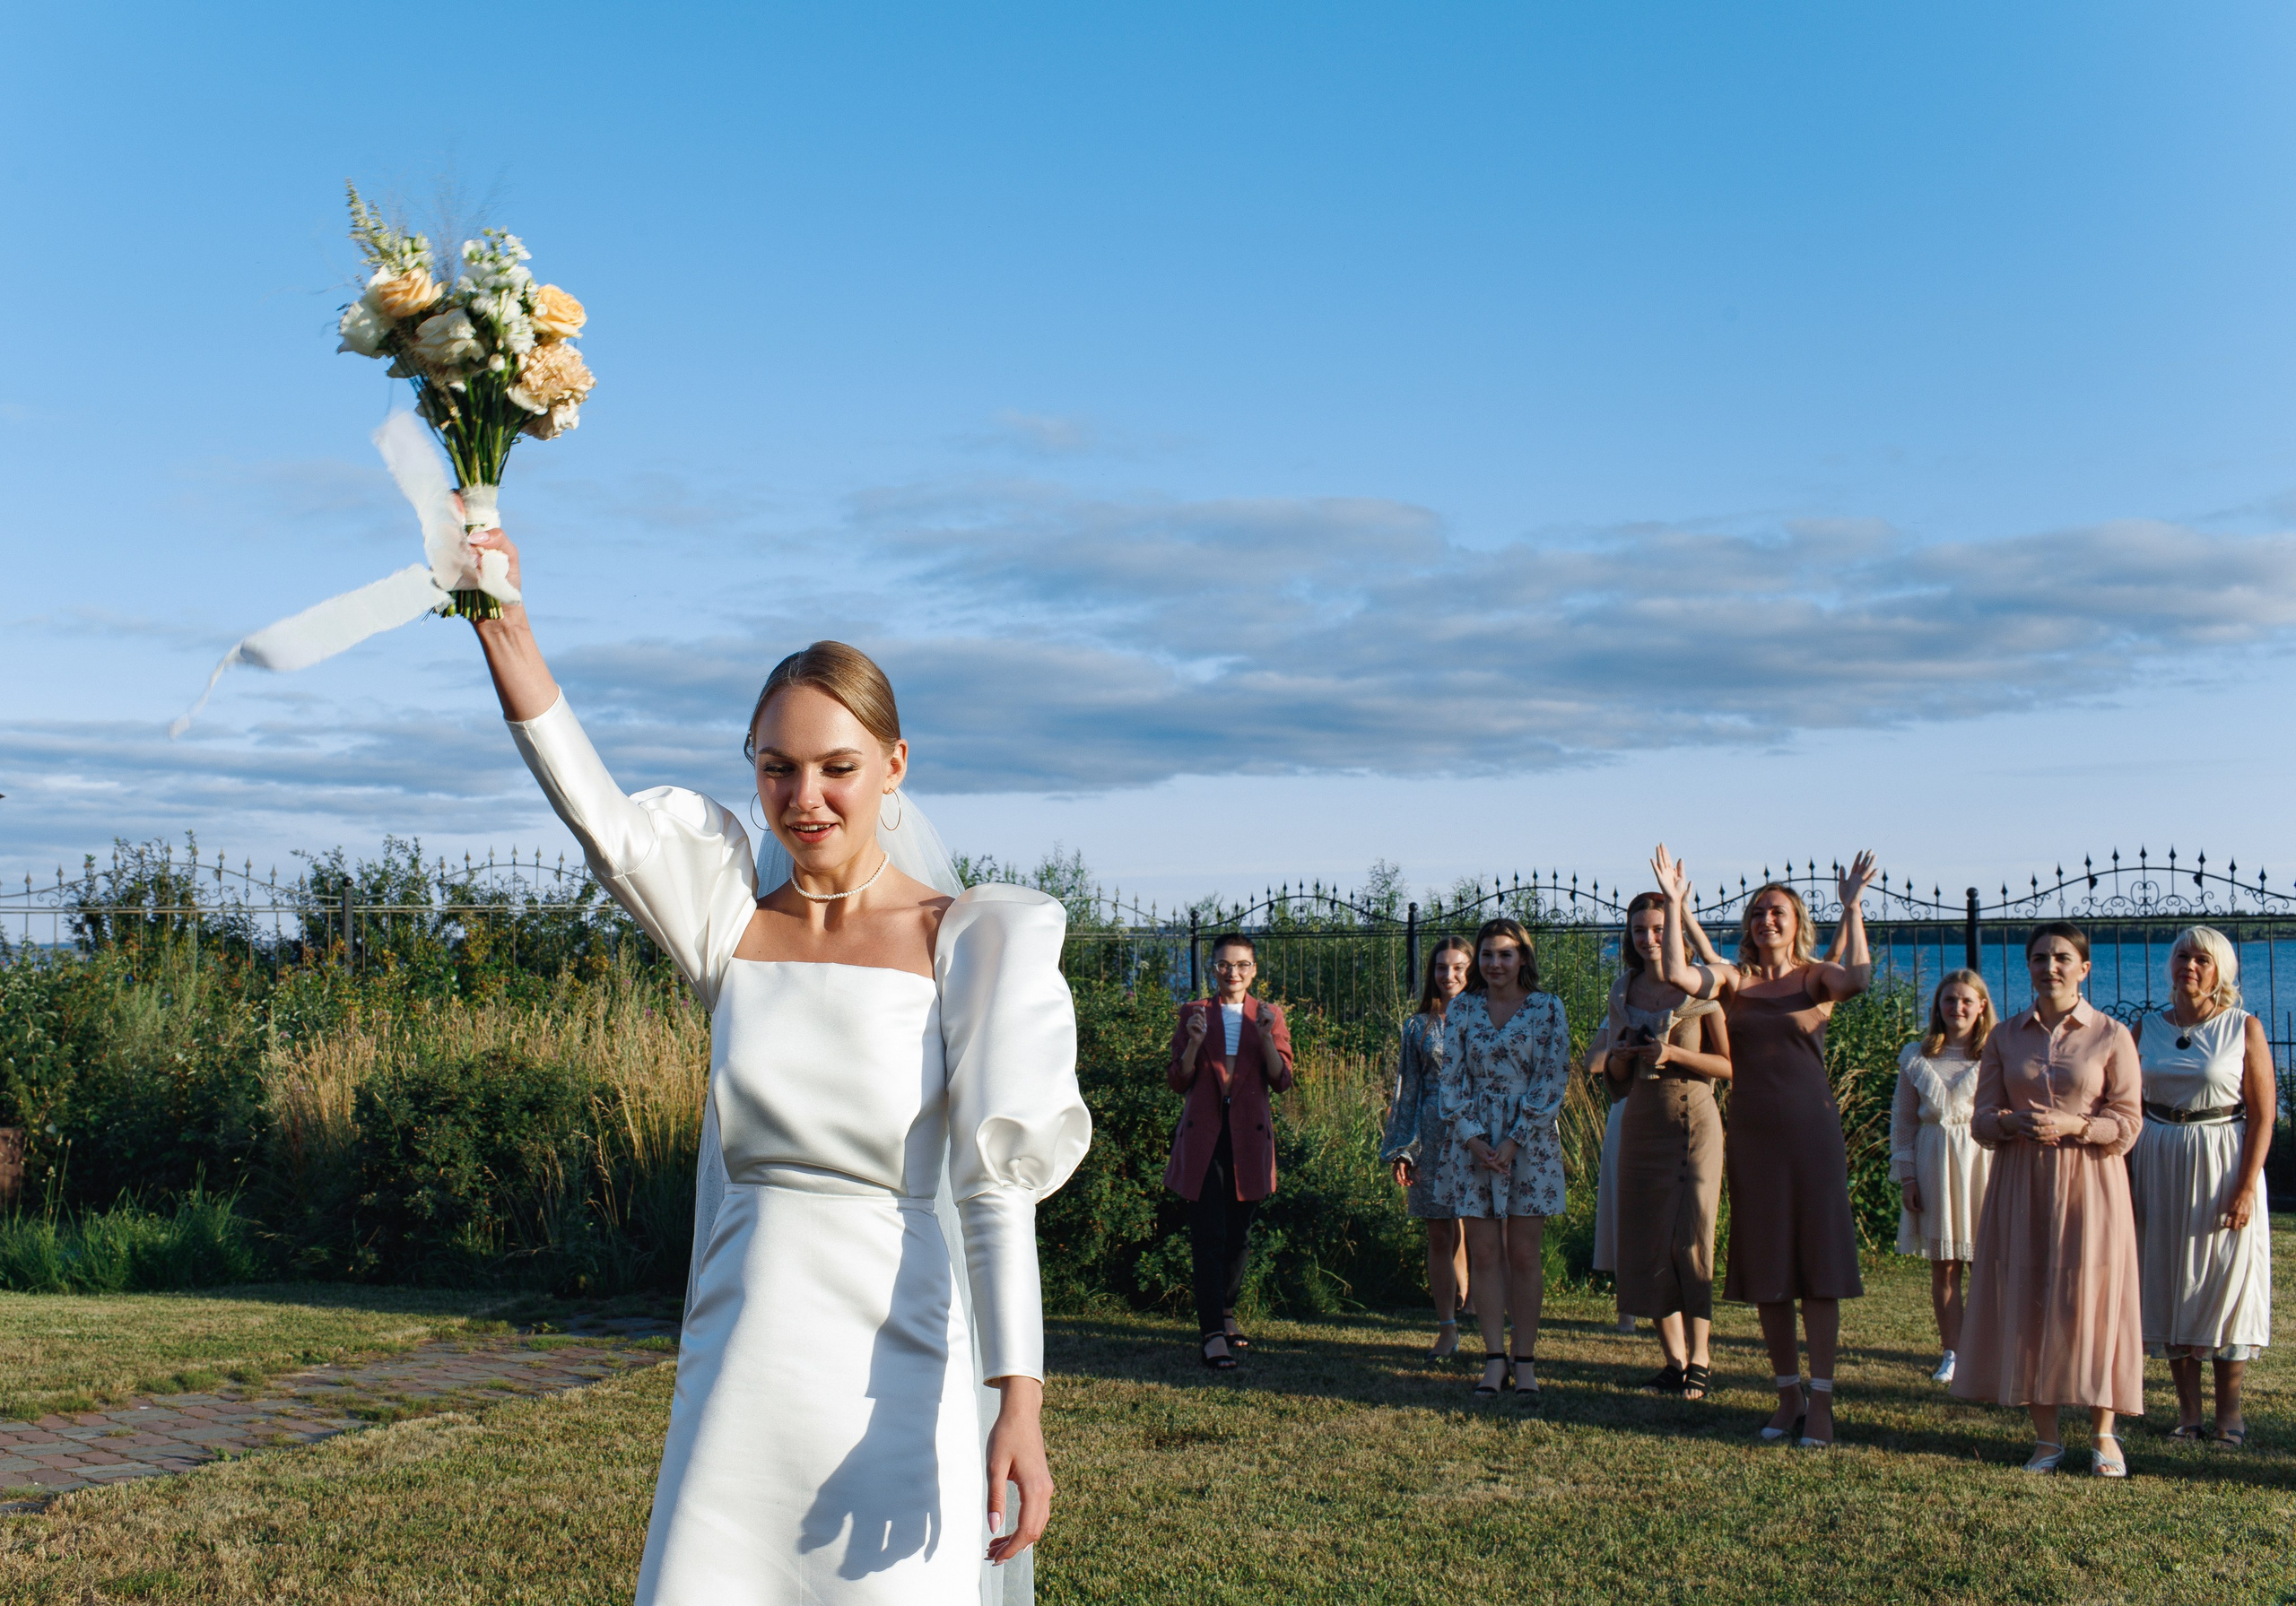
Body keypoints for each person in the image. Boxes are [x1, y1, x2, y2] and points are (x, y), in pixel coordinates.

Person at [465, 519, 1091, 1602]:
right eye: (779, 769)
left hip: (898, 1361)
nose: (807, 800)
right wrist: (501, 619)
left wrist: (1017, 1404)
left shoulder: (971, 941)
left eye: (838, 768)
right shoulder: (726, 926)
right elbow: (594, 815)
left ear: (894, 765)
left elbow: (993, 1194)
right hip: (740, 1351)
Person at [1653, 846, 1876, 1449]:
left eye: (1776, 911)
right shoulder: (1734, 982)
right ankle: (1787, 1397)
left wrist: (1852, 907)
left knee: (1819, 1272)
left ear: (1798, 922)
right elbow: (1679, 975)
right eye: (1757, 913)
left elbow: (1858, 976)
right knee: (1769, 1270)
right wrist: (1675, 907)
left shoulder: (1815, 979)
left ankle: (1823, 1401)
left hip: (1813, 1139)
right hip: (1753, 1140)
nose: (1765, 920)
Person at [1952, 923, 2143, 1476]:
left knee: (2093, 1299)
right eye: (2039, 958)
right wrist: (2012, 1123)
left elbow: (2128, 1124)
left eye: (2062, 958)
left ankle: (2105, 1434)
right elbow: (1981, 1121)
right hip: (2022, 1181)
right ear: (2028, 967)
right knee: (2029, 1296)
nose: (2050, 967)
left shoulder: (2111, 1035)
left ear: (2085, 968)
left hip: (2092, 1183)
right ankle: (2046, 1438)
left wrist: (2076, 1124)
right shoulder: (2005, 1037)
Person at [2128, 925, 2274, 1447]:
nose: (2190, 966)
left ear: (2221, 972)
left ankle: (2228, 1418)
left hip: (2222, 1160)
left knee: (2224, 1282)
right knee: (2168, 1280)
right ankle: (2188, 1416)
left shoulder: (2244, 1028)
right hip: (2158, 1160)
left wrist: (2245, 1187)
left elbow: (2263, 1116)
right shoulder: (2145, 1029)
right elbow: (2125, 1105)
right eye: (2183, 957)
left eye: (2203, 960)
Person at [1587, 891, 1733, 1400]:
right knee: (1645, 1238)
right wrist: (1622, 1053)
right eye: (1638, 931)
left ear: (1672, 933)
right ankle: (1673, 1362)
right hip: (1641, 1118)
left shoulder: (1701, 990)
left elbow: (1729, 1067)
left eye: (1657, 929)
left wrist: (1671, 1052)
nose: (1648, 940)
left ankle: (1702, 1358)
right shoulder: (1622, 989)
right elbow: (1617, 1080)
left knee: (1691, 1236)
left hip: (1694, 1118)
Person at [1435, 918, 1572, 1401]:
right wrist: (1474, 1139)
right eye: (1488, 955)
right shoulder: (1463, 1010)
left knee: (1524, 1255)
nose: (1496, 964)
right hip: (1472, 1143)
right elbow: (1449, 1082)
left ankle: (1526, 1360)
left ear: (1523, 958)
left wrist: (1514, 1139)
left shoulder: (1547, 1008)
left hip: (1529, 1143)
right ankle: (1494, 1360)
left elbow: (1554, 1079)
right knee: (1485, 1254)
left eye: (1505, 955)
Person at [1164, 934, 1295, 1369]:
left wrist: (1263, 1038)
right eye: (1223, 965)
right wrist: (1196, 1044)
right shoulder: (1194, 1014)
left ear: (1254, 970)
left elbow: (1281, 1080)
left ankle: (1226, 1311)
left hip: (1249, 1139)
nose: (1232, 973)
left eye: (1241, 965)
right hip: (1205, 1139)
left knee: (1238, 1238)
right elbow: (1179, 1080)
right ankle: (1212, 1335)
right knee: (1209, 1238)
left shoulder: (1268, 1016)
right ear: (1213, 969)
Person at [1891, 970, 1996, 1385]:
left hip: (1983, 1162)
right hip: (1934, 1161)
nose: (1958, 1008)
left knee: (1987, 1263)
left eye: (1967, 1001)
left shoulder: (1994, 1054)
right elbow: (1902, 1123)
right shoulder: (1917, 1056)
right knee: (1945, 1265)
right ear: (1938, 1005)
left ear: (1982, 1006)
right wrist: (1908, 1179)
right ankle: (1953, 1352)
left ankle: (1989, 1348)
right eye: (1949, 1000)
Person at [1380, 936, 1475, 1358]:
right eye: (1441, 968)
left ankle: (1484, 1313)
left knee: (1484, 1230)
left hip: (1480, 1133)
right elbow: (1408, 1090)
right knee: (1439, 1234)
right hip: (1433, 1134)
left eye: (1458, 967)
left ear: (1472, 969)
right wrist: (1404, 1147)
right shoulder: (1418, 1026)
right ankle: (1447, 1326)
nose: (1449, 975)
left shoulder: (1492, 1017)